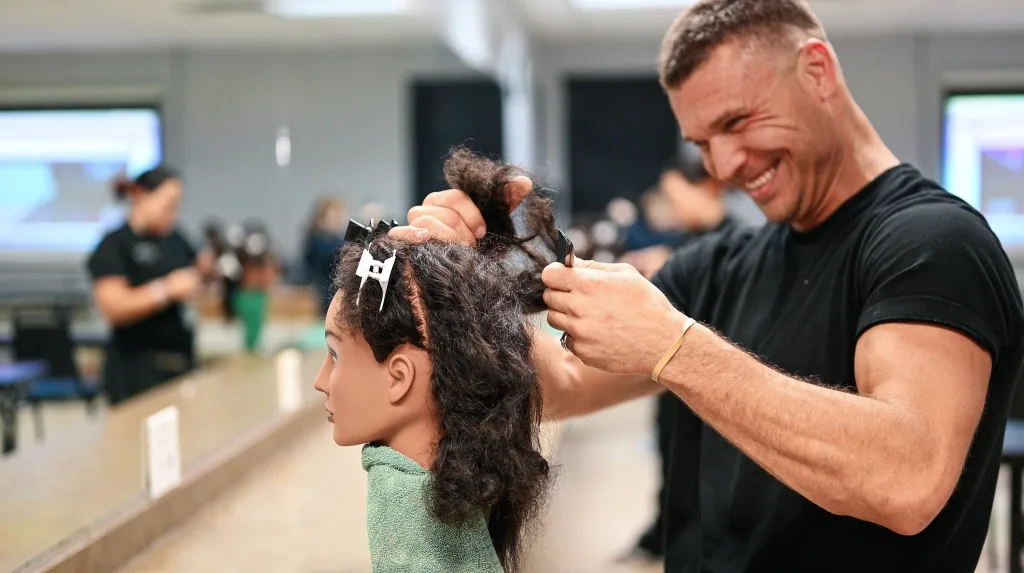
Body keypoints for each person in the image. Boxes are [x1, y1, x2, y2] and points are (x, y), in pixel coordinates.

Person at [389, 1, 1024, 571]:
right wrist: (460, 288)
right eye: (702, 144)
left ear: (818, 71)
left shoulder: (931, 243)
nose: (723, 167)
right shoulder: (724, 264)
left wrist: (675, 348)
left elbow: (906, 478)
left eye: (740, 121)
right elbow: (563, 386)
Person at [313, 149, 552, 573]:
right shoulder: (462, 475)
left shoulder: (399, 495)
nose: (320, 381)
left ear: (400, 376)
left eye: (334, 355)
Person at [87, 166, 212, 405]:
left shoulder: (174, 238)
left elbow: (199, 268)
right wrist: (165, 290)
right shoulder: (115, 244)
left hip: (178, 362)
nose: (173, 214)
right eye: (168, 205)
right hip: (135, 369)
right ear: (141, 196)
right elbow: (112, 307)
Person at [302, 197, 346, 316]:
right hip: (323, 290)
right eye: (335, 216)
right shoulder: (318, 240)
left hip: (335, 288)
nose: (339, 220)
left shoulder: (338, 239)